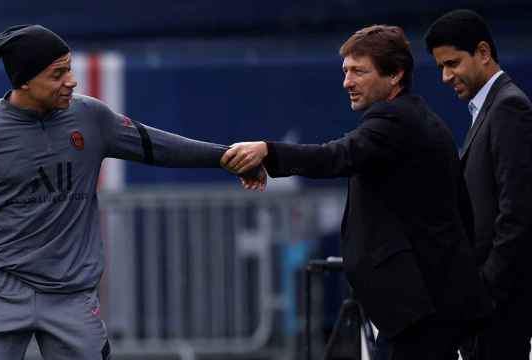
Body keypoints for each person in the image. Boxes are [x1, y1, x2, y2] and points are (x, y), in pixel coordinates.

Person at [0, 24, 264, 360]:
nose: (71, 81)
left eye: (69, 68)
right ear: (23, 81)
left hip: (72, 299)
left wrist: (227, 158)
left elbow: (159, 146)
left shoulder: (92, 119)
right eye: (58, 74)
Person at [221, 25, 490, 360]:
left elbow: (336, 156)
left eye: (359, 71)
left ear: (395, 76)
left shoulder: (396, 121)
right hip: (423, 309)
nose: (347, 82)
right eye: (345, 71)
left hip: (420, 313)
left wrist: (267, 150)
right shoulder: (412, 119)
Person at [425, 9, 532, 359]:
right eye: (441, 66)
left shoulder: (509, 107)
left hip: (500, 308)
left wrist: (485, 290)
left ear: (483, 53)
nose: (445, 76)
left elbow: (517, 212)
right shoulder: (488, 109)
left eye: (452, 63)